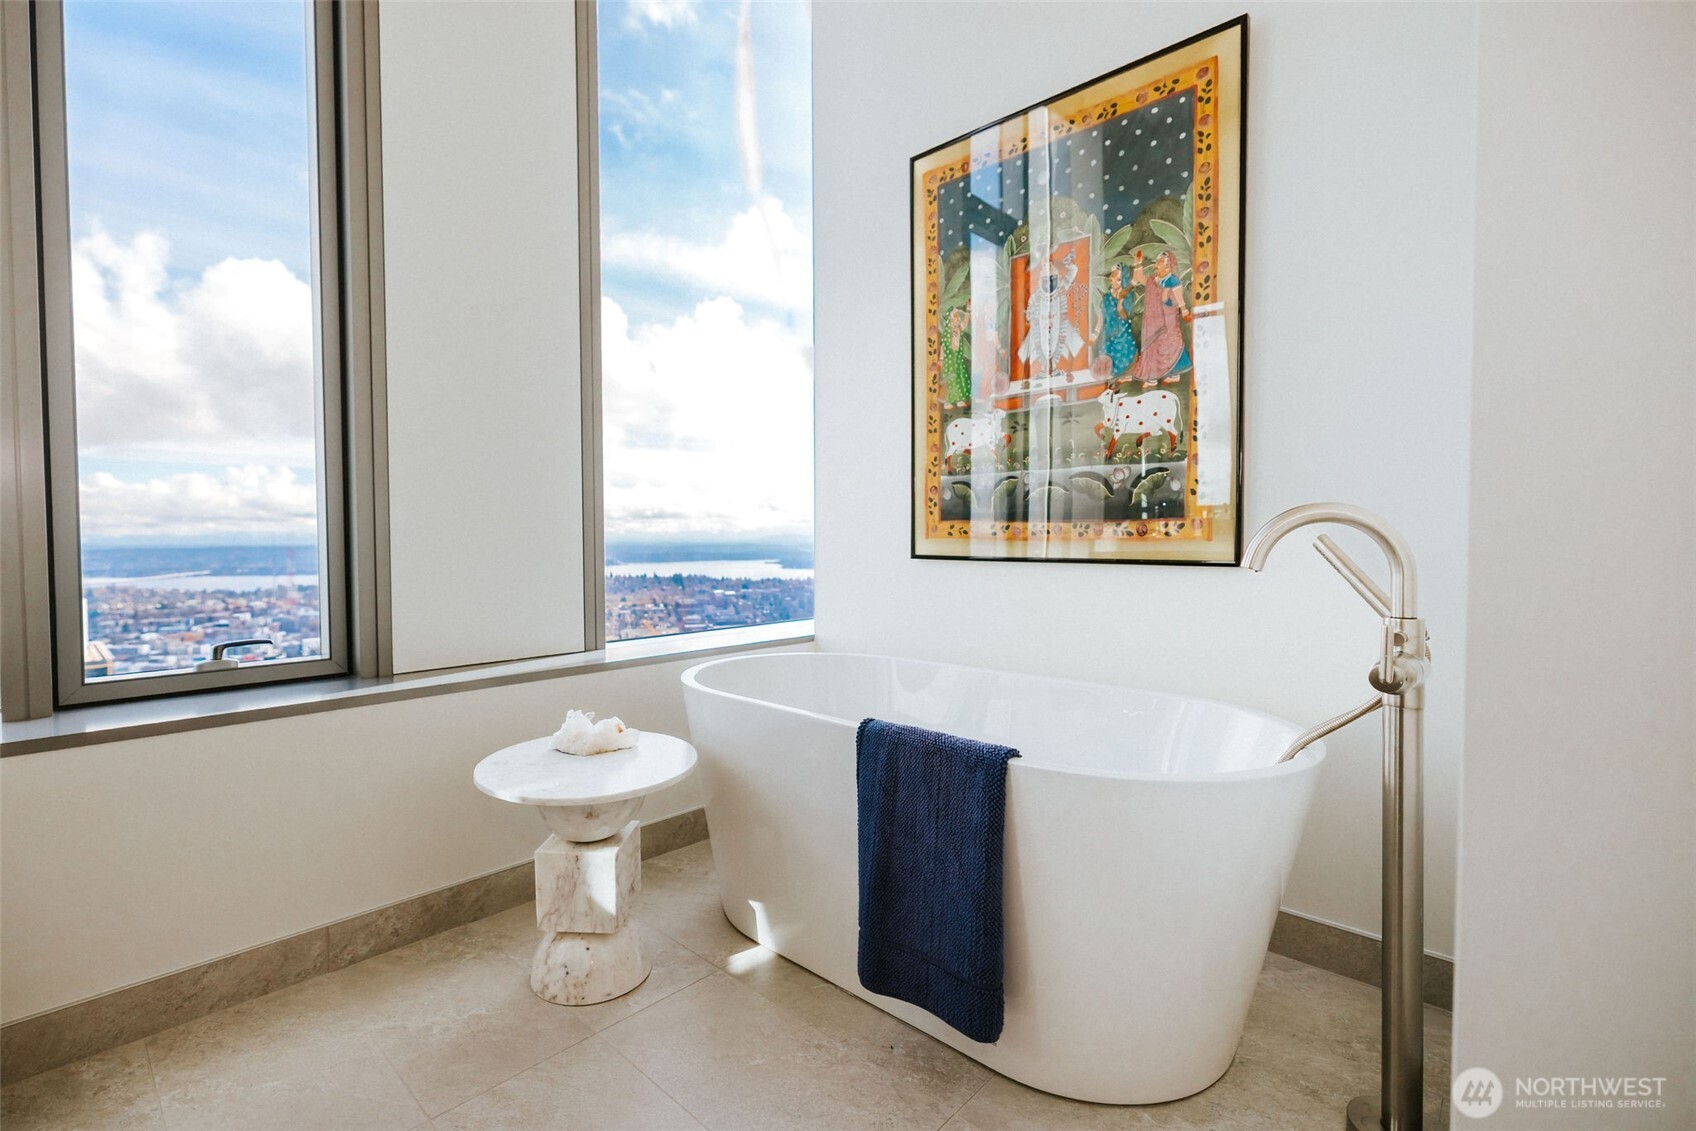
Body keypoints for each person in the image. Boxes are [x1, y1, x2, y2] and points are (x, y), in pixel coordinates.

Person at [1127, 248, 1192, 388]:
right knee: (1153, 345)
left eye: (1160, 262)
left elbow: (1179, 297)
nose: (1157, 265)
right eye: (1157, 262)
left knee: (1169, 345)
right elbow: (1139, 280)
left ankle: (1174, 374)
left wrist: (1185, 310)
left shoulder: (1173, 280)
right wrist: (1138, 264)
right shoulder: (1154, 280)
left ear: (1168, 266)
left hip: (1168, 320)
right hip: (1153, 320)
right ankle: (1152, 377)